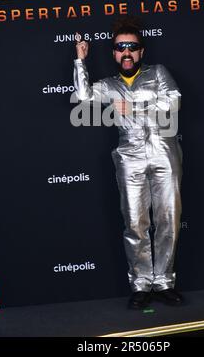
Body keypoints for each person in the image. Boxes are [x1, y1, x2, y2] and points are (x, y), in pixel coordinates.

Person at [73, 17, 183, 309]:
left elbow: (172, 102)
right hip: (129, 157)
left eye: (132, 47)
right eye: (120, 47)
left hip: (164, 153)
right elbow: (83, 97)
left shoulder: (158, 73)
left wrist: (132, 105)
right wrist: (80, 61)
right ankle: (141, 284)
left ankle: (164, 282)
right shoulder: (109, 85)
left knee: (168, 220)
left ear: (141, 52)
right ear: (113, 53)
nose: (126, 52)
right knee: (135, 223)